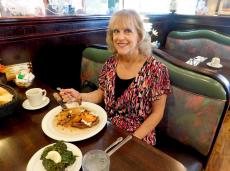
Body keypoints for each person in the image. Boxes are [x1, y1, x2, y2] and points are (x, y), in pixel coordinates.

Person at [59, 9, 171, 145]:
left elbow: (157, 113)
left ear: (140, 35)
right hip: (107, 129)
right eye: (116, 31)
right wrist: (79, 96)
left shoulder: (157, 70)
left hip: (138, 137)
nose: (120, 37)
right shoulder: (111, 63)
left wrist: (132, 139)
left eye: (127, 31)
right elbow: (101, 93)